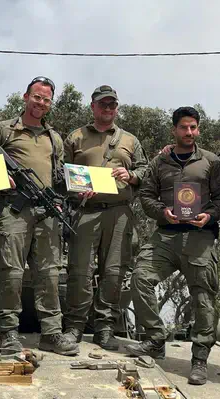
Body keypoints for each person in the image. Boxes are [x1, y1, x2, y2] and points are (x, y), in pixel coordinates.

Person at [125, 106, 220, 385]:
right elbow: (146, 196)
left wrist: (210, 215)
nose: (189, 132)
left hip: (200, 236)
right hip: (166, 235)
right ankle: (156, 340)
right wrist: (162, 212)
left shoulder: (211, 162)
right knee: (141, 277)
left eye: (193, 127)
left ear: (198, 129)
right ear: (175, 129)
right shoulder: (160, 163)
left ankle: (199, 359)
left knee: (203, 297)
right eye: (184, 127)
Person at [0, 76, 79, 356]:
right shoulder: (3, 130)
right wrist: (4, 179)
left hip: (47, 212)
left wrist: (74, 193)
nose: (41, 103)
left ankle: (51, 333)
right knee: (11, 271)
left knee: (49, 273)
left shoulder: (54, 137)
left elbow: (59, 176)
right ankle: (9, 333)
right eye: (37, 97)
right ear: (26, 97)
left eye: (46, 99)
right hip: (15, 209)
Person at [61, 85, 148, 351]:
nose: (108, 109)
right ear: (93, 107)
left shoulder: (130, 140)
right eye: (103, 104)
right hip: (85, 210)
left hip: (119, 212)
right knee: (80, 270)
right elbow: (60, 173)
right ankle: (74, 326)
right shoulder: (75, 137)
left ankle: (105, 327)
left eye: (112, 105)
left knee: (113, 271)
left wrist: (131, 176)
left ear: (116, 108)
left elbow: (145, 169)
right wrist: (74, 186)